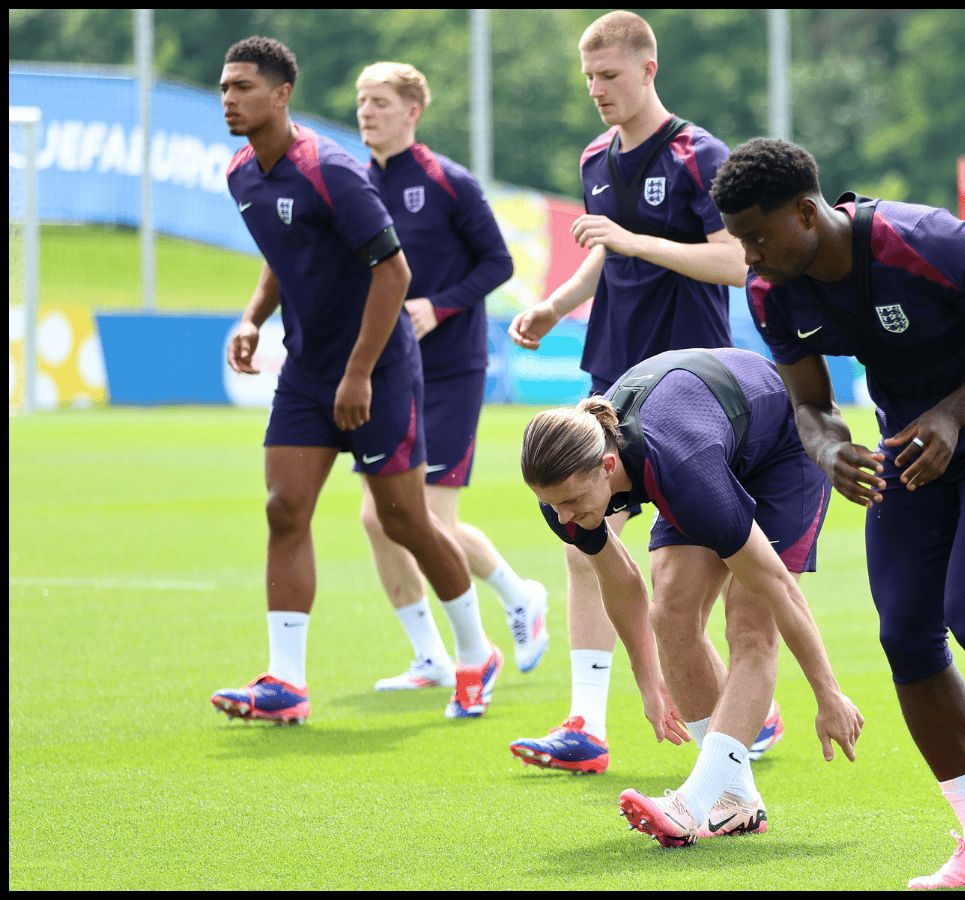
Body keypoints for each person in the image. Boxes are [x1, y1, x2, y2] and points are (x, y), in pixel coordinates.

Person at [710, 139, 965, 886]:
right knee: (905, 635)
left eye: (758, 237)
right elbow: (810, 404)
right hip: (914, 443)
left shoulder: (920, 241)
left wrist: (953, 414)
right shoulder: (771, 290)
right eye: (739, 240)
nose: (749, 257)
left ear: (806, 213)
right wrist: (829, 451)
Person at [506, 11, 780, 774]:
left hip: (692, 393)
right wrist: (556, 304)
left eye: (610, 76)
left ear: (648, 70)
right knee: (582, 537)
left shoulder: (699, 155)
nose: (597, 90)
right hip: (612, 383)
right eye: (588, 78)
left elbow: (735, 262)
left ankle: (747, 703)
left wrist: (633, 242)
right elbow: (605, 250)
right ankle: (586, 725)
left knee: (703, 569)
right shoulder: (595, 157)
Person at [210, 37, 500, 725]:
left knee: (405, 520)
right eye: (224, 87)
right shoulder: (241, 174)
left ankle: (474, 652)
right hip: (306, 372)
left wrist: (360, 373)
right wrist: (252, 317)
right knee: (284, 508)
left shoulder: (330, 171)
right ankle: (286, 683)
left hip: (380, 371)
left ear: (281, 94)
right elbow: (282, 254)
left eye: (243, 87)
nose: (229, 99)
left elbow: (393, 272)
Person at [520, 347, 862, 847]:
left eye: (571, 502)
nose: (564, 518)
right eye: (553, 505)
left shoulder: (681, 470)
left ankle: (692, 804)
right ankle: (737, 802)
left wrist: (828, 693)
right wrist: (648, 681)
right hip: (711, 443)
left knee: (750, 626)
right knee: (672, 615)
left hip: (783, 449)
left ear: (608, 465)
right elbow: (622, 583)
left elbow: (780, 591)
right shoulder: (561, 495)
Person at [355, 61, 548, 691]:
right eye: (362, 101)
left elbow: (499, 263)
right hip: (386, 373)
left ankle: (518, 596)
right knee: (376, 518)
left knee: (430, 518)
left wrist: (437, 307)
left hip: (450, 370)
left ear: (413, 111)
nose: (367, 112)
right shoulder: (353, 186)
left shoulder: (448, 182)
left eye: (381, 101)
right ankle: (430, 658)